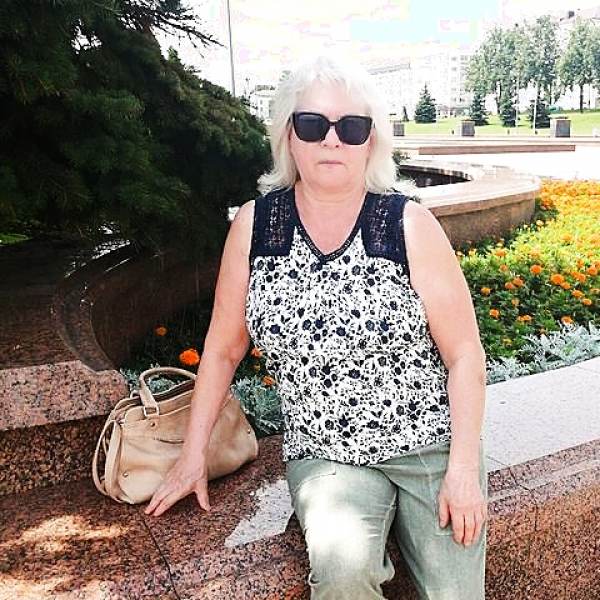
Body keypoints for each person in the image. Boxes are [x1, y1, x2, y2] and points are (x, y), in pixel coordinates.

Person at [144, 54, 489, 600]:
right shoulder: (257, 227)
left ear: (371, 142)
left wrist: (464, 469)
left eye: (351, 127)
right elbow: (224, 347)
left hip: (428, 443)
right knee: (342, 575)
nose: (332, 140)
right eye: (312, 124)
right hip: (327, 453)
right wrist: (192, 456)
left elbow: (465, 352)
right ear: (289, 136)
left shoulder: (407, 224)